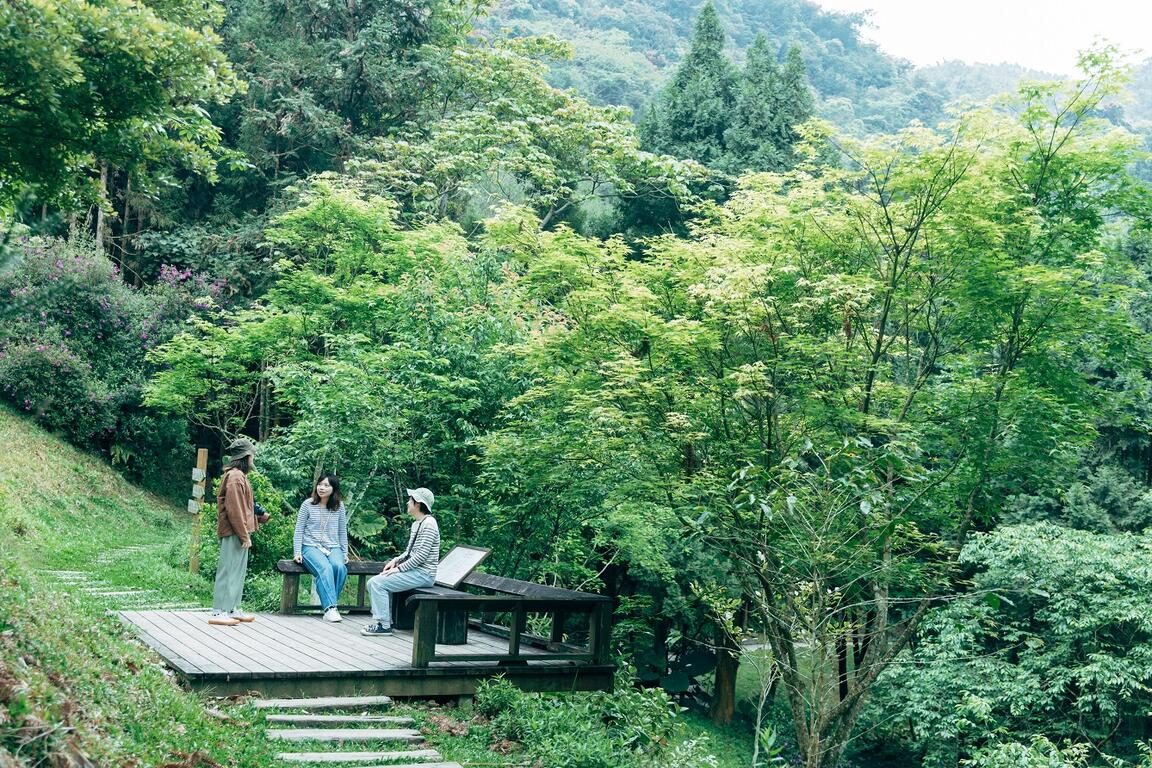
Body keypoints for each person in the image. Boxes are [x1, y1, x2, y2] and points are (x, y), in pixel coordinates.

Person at [362, 487, 440, 636]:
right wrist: (395, 561)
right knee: (376, 581)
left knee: (377, 583)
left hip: (424, 574)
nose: (407, 502)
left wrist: (398, 569)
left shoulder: (429, 524)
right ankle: (383, 622)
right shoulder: (417, 523)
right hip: (415, 571)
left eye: (410, 500)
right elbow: (409, 552)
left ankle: (384, 626)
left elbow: (421, 556)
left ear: (418, 504)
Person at [209, 437, 263, 626]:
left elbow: (244, 506)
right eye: (252, 456)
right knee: (227, 570)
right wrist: (243, 534)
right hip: (233, 532)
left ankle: (232, 609)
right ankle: (217, 612)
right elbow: (234, 508)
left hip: (239, 531)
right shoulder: (235, 477)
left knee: (237, 571)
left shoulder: (239, 476)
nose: (253, 460)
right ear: (246, 456)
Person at [293, 474, 349, 623]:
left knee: (339, 567)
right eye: (320, 484)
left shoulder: (339, 507)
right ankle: (330, 608)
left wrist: (344, 552)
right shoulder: (308, 504)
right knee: (325, 568)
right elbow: (299, 530)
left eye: (326, 485)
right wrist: (297, 551)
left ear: (334, 489)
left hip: (332, 546)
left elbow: (342, 531)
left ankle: (330, 605)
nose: (322, 488)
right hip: (310, 546)